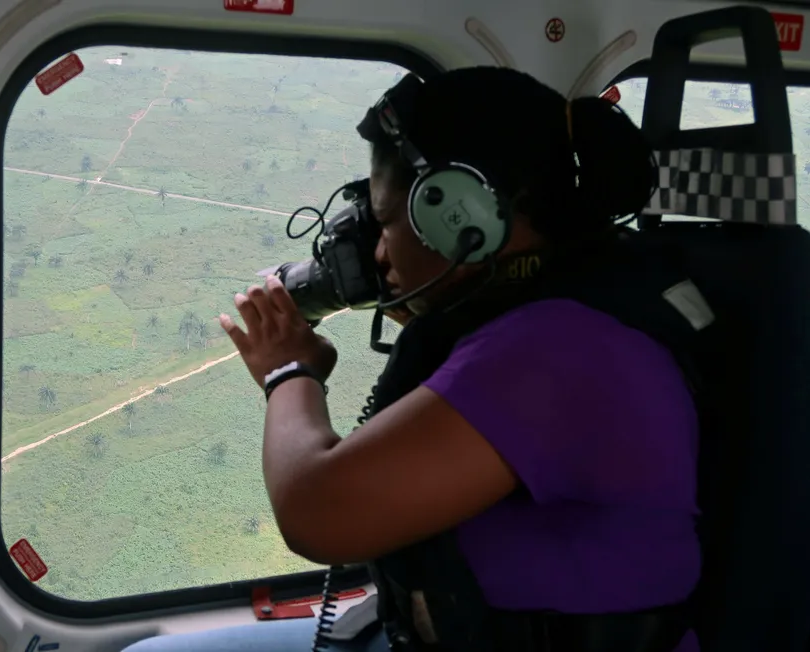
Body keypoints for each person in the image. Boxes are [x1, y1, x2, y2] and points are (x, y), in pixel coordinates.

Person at [123, 67, 700, 652]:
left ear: (459, 216)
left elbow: (318, 512)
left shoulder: (551, 352)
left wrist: (288, 371)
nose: (377, 250)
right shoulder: (564, 306)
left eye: (389, 220)